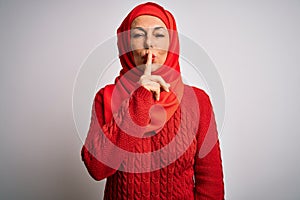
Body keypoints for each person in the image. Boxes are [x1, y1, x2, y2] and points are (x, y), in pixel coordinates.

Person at [81, 2, 224, 199]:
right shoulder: (105, 97)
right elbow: (97, 168)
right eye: (138, 35)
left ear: (172, 43)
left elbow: (211, 182)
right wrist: (140, 98)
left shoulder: (198, 101)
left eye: (159, 35)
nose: (149, 43)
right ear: (125, 45)